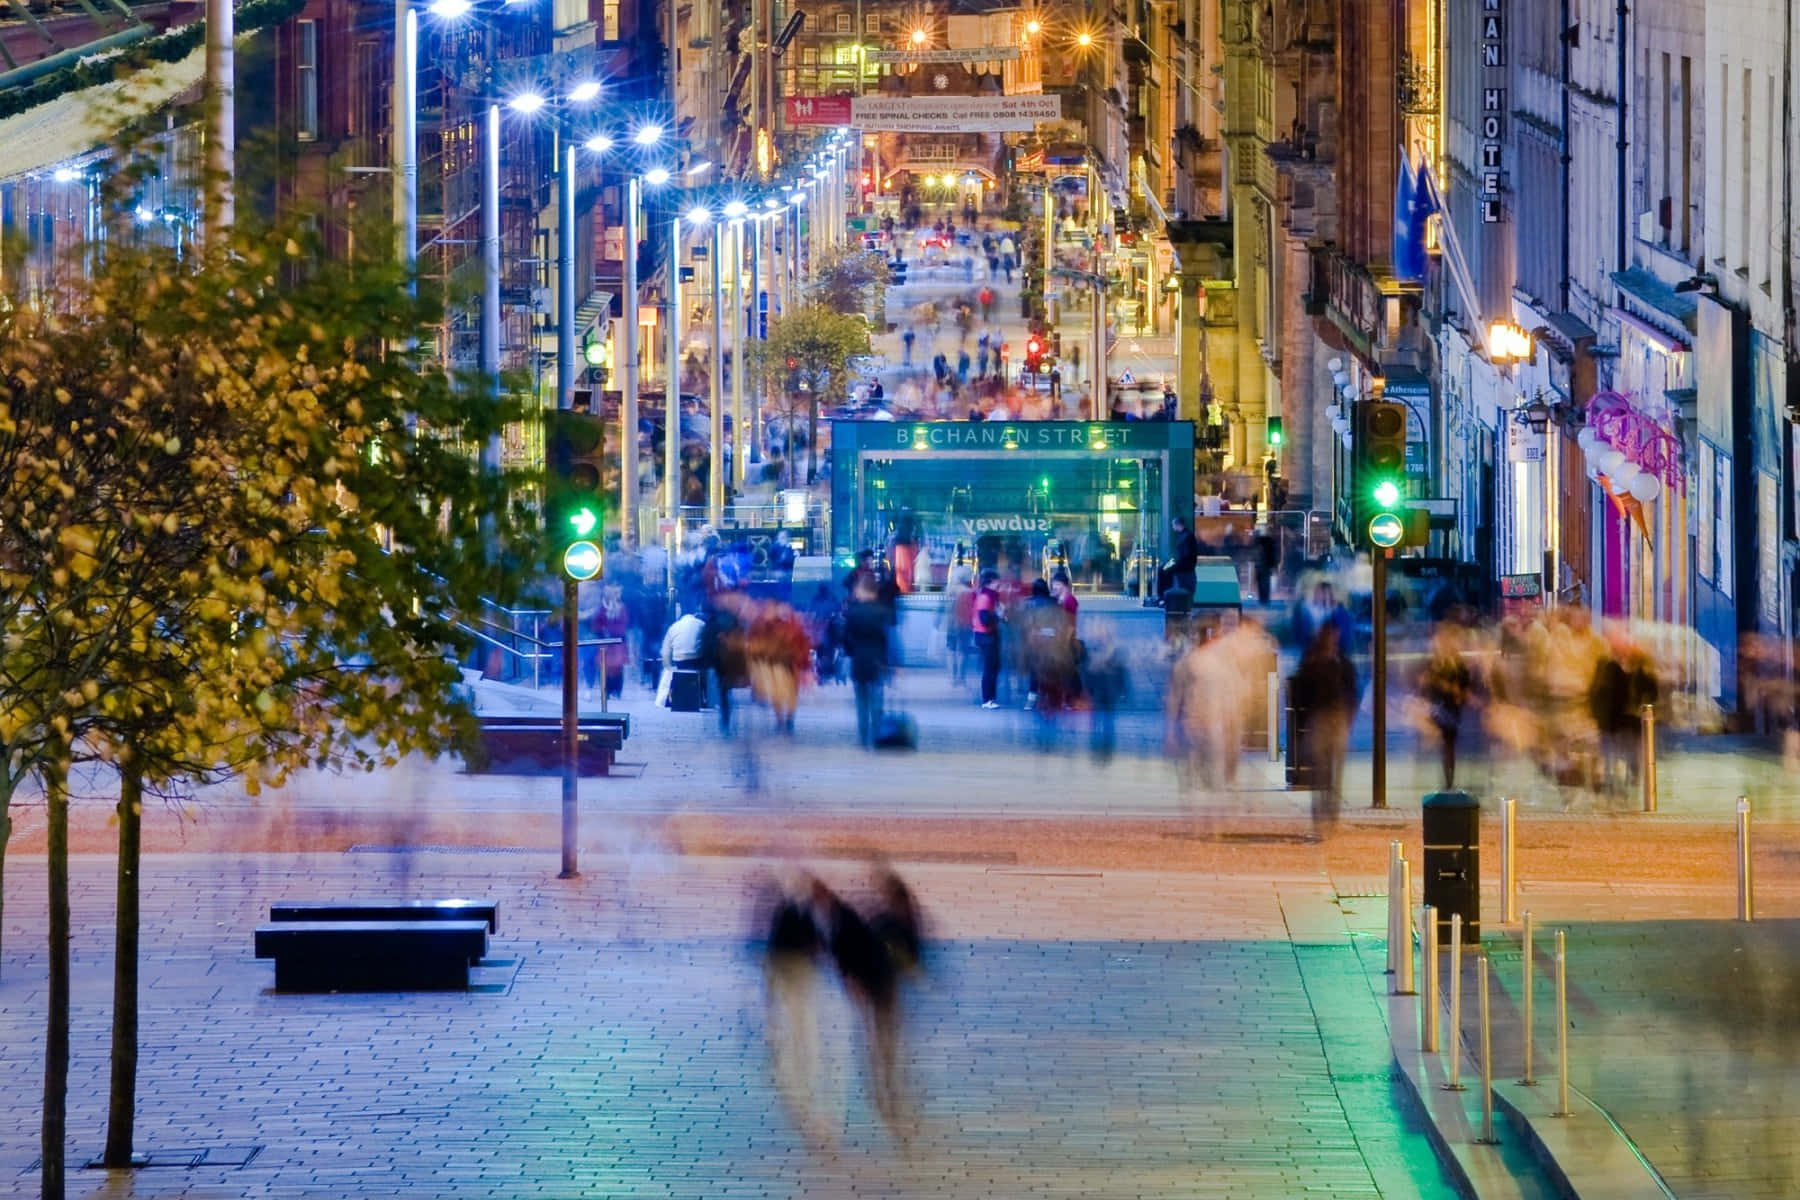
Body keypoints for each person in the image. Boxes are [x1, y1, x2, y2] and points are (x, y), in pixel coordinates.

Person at [762, 871, 830, 1143]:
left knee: (792, 1032)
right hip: (796, 978)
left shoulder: (785, 914)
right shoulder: (803, 917)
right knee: (801, 1033)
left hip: (787, 977)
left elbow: (774, 949)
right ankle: (802, 1094)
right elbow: (816, 947)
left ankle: (790, 1073)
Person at [1291, 623, 1358, 829]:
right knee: (1321, 770)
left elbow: (1352, 691)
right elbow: (1300, 693)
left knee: (1333, 770)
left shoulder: (1340, 662)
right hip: (1321, 718)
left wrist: (1349, 714)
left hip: (1336, 719)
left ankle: (1330, 812)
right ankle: (1322, 813)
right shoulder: (1316, 662)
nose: (1333, 640)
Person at [1416, 624, 1475, 788]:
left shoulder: (1456, 663)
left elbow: (1463, 686)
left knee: (1448, 745)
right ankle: (1443, 779)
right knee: (1443, 744)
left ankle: (1448, 781)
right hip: (1436, 707)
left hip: (1450, 709)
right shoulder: (1434, 662)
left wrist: (1456, 692)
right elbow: (1424, 685)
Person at [844, 577, 892, 747]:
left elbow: (846, 638)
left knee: (861, 699)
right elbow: (888, 638)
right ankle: (877, 732)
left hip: (859, 659)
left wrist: (850, 652)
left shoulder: (853, 612)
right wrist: (891, 662)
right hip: (878, 660)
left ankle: (863, 736)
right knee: (877, 697)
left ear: (863, 590)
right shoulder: (883, 611)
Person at [656, 608, 707, 706]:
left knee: (676, 677)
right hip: (696, 659)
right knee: (702, 674)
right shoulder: (701, 624)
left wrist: (668, 667)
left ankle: (671, 699)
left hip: (679, 659)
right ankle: (702, 698)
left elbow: (665, 651)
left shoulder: (673, 627)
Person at [1291, 580, 1354, 653]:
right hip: (1311, 645)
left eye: (1325, 594)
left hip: (1330, 647)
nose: (1322, 596)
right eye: (1319, 593)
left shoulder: (1339, 612)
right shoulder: (1306, 609)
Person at [972, 568, 1003, 709]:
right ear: (991, 582)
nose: (999, 584)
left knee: (993, 667)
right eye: (997, 581)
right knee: (989, 668)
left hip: (988, 635)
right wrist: (998, 615)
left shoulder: (990, 597)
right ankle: (987, 699)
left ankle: (991, 698)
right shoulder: (985, 598)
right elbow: (984, 619)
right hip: (986, 636)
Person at [595, 581, 631, 699]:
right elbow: (596, 623)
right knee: (605, 667)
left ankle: (617, 690)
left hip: (617, 642)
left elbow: (624, 624)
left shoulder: (622, 607)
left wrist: (612, 631)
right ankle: (606, 691)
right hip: (605, 642)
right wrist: (602, 631)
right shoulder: (602, 607)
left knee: (617, 667)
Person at [1157, 516, 1200, 601]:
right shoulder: (1185, 535)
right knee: (1163, 568)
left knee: (1163, 569)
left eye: (1173, 525)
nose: (1173, 527)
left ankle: (1163, 595)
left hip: (1184, 563)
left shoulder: (1186, 536)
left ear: (1177, 525)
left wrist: (1173, 561)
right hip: (1180, 561)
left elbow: (1185, 555)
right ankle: (1163, 595)